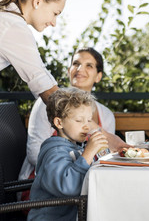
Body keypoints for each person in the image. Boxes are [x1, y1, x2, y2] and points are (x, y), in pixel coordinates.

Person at [18, 48, 130, 189]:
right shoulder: (48, 103)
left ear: (98, 76)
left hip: (87, 182)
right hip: (45, 185)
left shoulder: (106, 114)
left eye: (89, 65)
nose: (80, 69)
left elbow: (105, 157)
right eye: (76, 63)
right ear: (69, 70)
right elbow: (34, 154)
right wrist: (84, 157)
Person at [27, 87, 108, 220]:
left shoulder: (74, 147)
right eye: (79, 120)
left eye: (88, 120)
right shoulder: (55, 152)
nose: (87, 126)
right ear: (59, 122)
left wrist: (99, 152)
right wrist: (87, 154)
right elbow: (68, 187)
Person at [0, 0, 66, 103]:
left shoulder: (7, 18)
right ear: (38, 0)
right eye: (55, 13)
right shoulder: (13, 26)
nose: (54, 23)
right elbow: (42, 82)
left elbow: (40, 71)